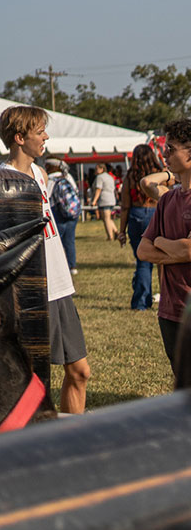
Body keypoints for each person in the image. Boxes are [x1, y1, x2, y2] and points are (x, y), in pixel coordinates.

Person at [0, 106, 90, 414]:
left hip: (60, 285)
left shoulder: (41, 174)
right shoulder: (2, 182)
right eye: (39, 132)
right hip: (30, 293)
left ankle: (69, 441)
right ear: (20, 138)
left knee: (80, 372)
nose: (46, 137)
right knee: (34, 384)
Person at [137, 119, 191, 377]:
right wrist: (171, 248)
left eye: (171, 148)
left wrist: (159, 242)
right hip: (170, 311)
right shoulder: (168, 198)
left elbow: (189, 251)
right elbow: (143, 251)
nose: (164, 153)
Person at [118, 144, 165, 310]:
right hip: (155, 214)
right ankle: (165, 299)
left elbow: (125, 206)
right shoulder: (160, 175)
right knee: (162, 261)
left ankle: (141, 302)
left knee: (143, 261)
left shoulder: (130, 177)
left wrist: (121, 231)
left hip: (136, 216)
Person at [44, 158, 79, 277]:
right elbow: (76, 191)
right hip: (72, 214)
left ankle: (56, 267)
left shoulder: (50, 179)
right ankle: (72, 266)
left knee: (55, 242)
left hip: (57, 214)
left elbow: (46, 196)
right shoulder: (67, 177)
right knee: (70, 241)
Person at [91, 162, 119, 241]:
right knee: (108, 218)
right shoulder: (110, 176)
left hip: (104, 199)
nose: (95, 171)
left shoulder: (100, 177)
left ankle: (110, 237)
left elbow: (98, 189)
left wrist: (94, 201)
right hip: (111, 199)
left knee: (106, 219)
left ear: (102, 169)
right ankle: (116, 232)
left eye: (97, 169)